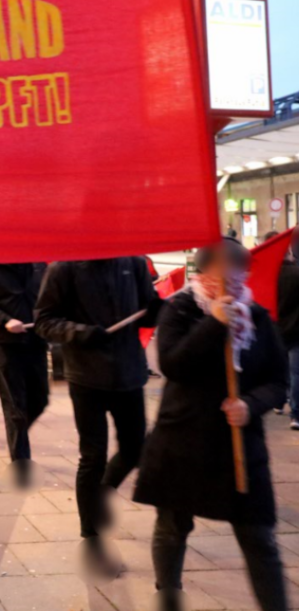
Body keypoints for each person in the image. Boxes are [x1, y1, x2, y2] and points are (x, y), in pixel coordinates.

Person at [134, 238, 289, 611]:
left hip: (239, 444)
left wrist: (251, 405)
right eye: (225, 273)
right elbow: (173, 363)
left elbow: (277, 380)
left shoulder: (257, 316)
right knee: (172, 527)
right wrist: (214, 324)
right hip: (183, 439)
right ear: (204, 273)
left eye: (240, 274)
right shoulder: (180, 310)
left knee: (258, 535)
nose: (234, 282)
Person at [35, 256, 162, 574]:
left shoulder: (133, 263)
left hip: (129, 373)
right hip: (87, 376)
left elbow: (149, 310)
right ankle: (91, 536)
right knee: (93, 456)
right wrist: (79, 332)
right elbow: (44, 320)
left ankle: (102, 492)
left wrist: (174, 306)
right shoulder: (63, 268)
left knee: (136, 447)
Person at [0, 263, 49, 481]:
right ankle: (21, 465)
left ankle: (17, 434)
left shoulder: (40, 266)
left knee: (40, 400)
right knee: (15, 407)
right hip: (5, 345)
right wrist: (4, 320)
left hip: (36, 341)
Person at [277, 234, 299, 426]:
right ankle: (296, 414)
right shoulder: (297, 273)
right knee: (296, 373)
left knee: (279, 368)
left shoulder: (270, 275)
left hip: (276, 329)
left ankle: (278, 402)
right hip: (296, 330)